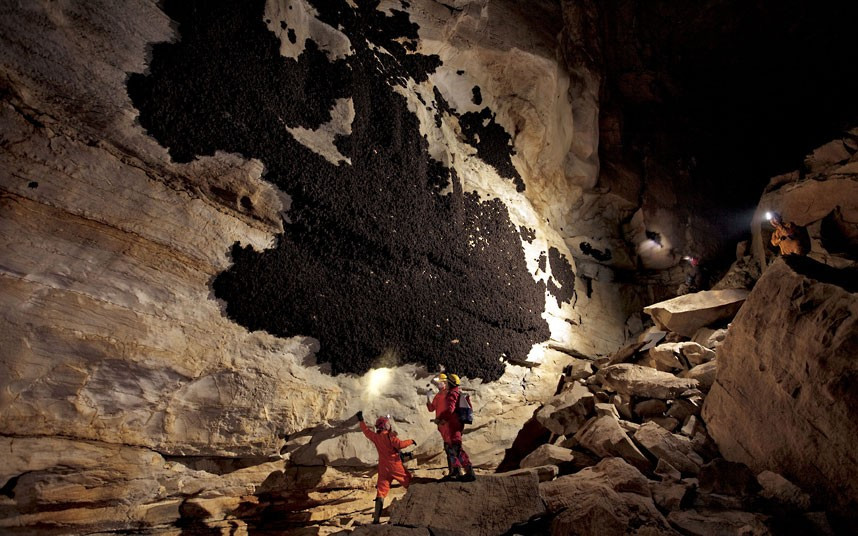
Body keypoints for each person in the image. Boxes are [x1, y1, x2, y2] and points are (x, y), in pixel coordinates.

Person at [357, 411, 416, 524]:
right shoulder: (390, 436)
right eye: (387, 424)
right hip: (395, 465)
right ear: (385, 426)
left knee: (381, 491)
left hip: (383, 467)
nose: (389, 425)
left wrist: (361, 420)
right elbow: (400, 445)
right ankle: (417, 505)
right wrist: (411, 441)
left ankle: (376, 519)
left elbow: (366, 431)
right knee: (409, 483)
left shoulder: (376, 437)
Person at [437, 374, 476, 482]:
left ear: (450, 383)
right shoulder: (458, 392)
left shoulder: (452, 394)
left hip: (452, 426)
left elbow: (450, 410)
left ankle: (469, 472)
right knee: (451, 448)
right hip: (456, 425)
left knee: (456, 448)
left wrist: (441, 418)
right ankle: (456, 471)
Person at [425, 373, 454, 479]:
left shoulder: (449, 394)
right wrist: (428, 398)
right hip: (442, 427)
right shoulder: (438, 395)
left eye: (440, 382)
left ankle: (455, 472)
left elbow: (452, 409)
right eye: (437, 383)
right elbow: (431, 408)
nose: (438, 384)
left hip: (449, 425)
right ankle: (453, 472)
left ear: (445, 382)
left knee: (451, 448)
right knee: (448, 448)